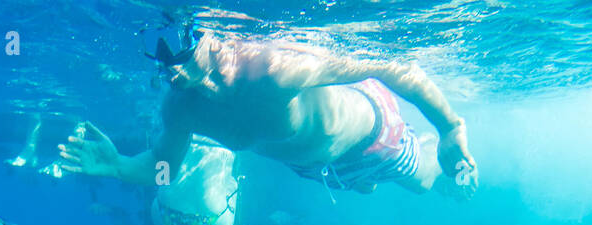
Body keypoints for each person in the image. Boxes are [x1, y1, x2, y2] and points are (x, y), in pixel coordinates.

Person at [59, 27, 477, 200]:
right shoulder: (182, 106)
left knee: (426, 184)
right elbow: (163, 167)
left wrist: (450, 127)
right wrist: (118, 165)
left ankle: (434, 155)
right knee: (366, 190)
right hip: (318, 169)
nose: (171, 61)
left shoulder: (273, 72)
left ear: (210, 36)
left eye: (181, 39)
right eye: (157, 45)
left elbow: (390, 64)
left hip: (376, 141)